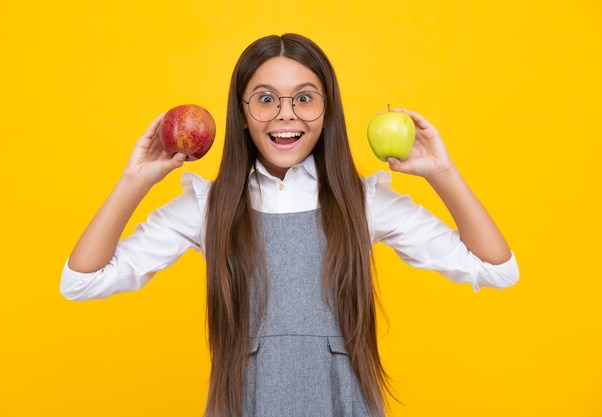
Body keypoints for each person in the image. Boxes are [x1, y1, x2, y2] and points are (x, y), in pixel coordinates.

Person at [60, 33, 519, 417]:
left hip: (343, 401)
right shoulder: (210, 205)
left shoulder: (362, 201)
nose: (285, 114)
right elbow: (82, 281)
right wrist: (133, 181)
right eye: (265, 99)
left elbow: (496, 268)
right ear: (241, 114)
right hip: (246, 401)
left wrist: (442, 172)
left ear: (327, 110)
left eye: (303, 98)